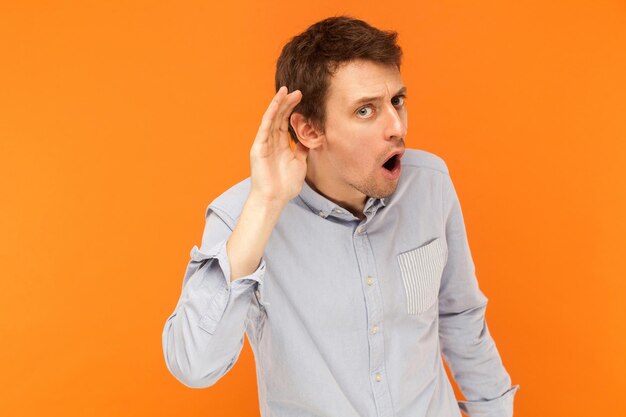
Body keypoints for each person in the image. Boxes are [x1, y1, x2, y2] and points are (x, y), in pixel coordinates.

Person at [162, 16, 519, 417]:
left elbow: (460, 317)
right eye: (366, 111)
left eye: (397, 101)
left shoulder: (430, 184)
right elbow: (193, 366)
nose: (397, 127)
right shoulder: (244, 216)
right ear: (310, 130)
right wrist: (265, 204)